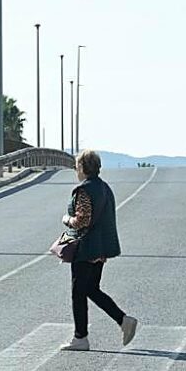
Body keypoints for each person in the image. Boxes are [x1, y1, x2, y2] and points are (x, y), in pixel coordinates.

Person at [59, 149, 138, 351]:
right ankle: (123, 320)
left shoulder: (84, 190)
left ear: (83, 168)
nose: (76, 170)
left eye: (77, 166)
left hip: (86, 248)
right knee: (91, 289)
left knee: (79, 292)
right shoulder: (104, 188)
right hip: (101, 248)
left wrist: (66, 219)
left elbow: (81, 220)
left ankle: (80, 337)